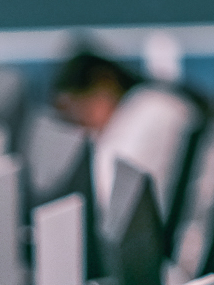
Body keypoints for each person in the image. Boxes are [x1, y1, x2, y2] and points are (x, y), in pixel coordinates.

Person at [49, 48, 200, 221]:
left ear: (105, 81)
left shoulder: (152, 111)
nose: (79, 123)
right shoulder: (137, 112)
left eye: (78, 109)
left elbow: (111, 200)